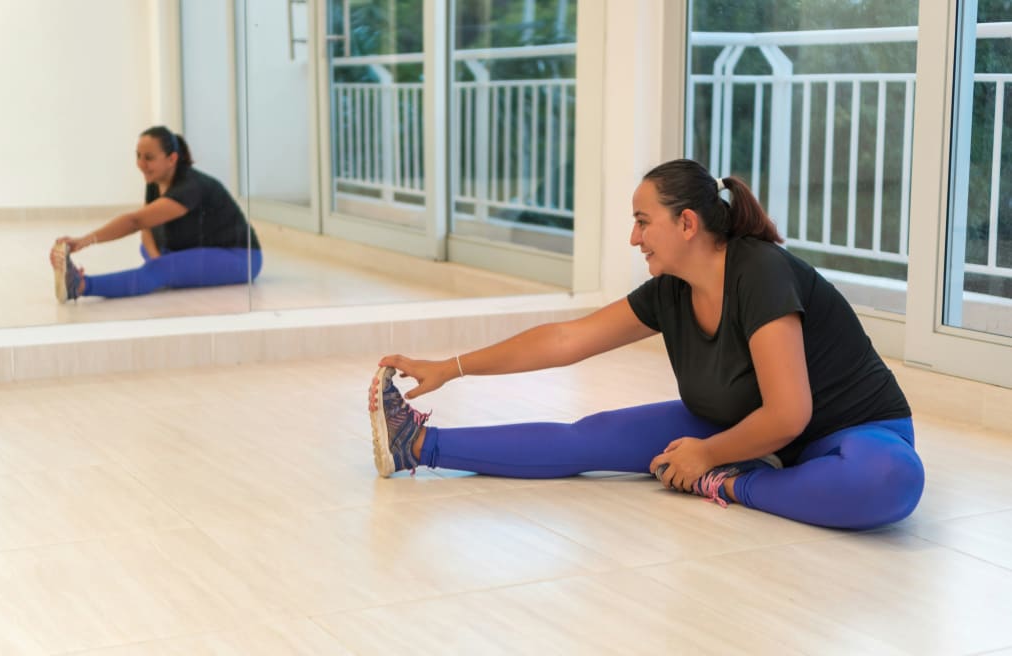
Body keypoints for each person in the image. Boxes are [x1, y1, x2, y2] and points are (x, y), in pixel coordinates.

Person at [367, 158, 925, 530]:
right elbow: (565, 339)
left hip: (848, 435)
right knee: (591, 439)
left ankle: (736, 485)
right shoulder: (670, 291)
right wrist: (451, 366)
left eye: (642, 221)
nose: (634, 237)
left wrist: (708, 458)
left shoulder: (760, 271)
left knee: (891, 481)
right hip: (745, 430)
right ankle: (416, 447)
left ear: (686, 223)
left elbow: (789, 413)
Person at [49, 126, 262, 302]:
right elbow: (145, 227)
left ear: (172, 159)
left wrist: (84, 241)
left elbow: (135, 221)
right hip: (192, 248)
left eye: (149, 157)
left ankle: (79, 285)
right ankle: (165, 269)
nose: (141, 164)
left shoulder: (191, 187)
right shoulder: (156, 181)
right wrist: (156, 259)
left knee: (157, 271)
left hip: (241, 258)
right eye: (138, 156)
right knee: (151, 252)